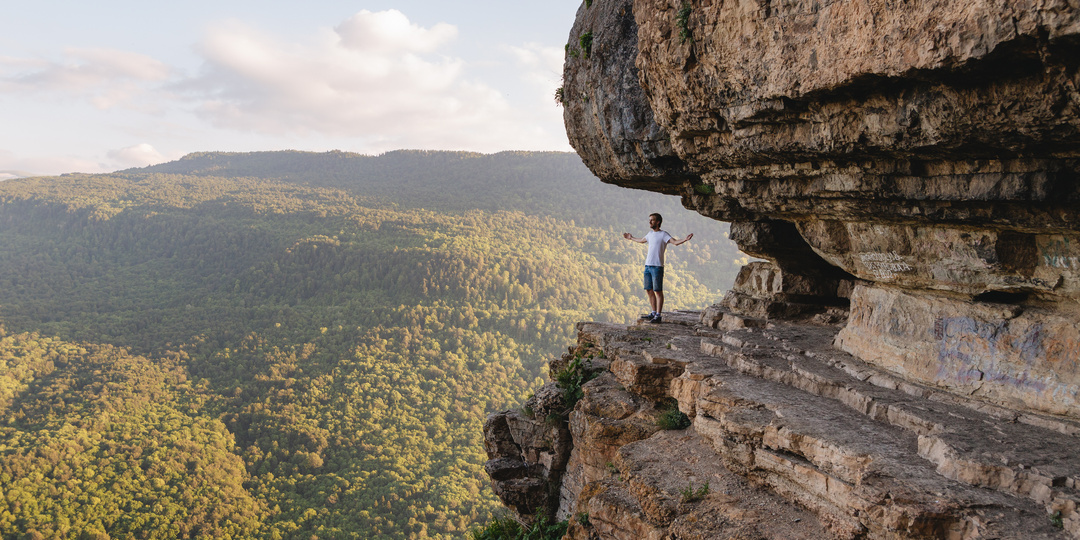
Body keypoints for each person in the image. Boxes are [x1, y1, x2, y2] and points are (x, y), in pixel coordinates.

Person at [623, 213, 693, 323]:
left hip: (657, 267)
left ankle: (658, 315)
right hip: (648, 266)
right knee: (649, 290)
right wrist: (631, 238)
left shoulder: (663, 234)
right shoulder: (650, 234)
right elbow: (641, 240)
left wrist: (684, 239)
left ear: (658, 222)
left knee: (658, 291)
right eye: (649, 220)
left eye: (652, 220)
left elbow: (674, 242)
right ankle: (653, 312)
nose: (650, 222)